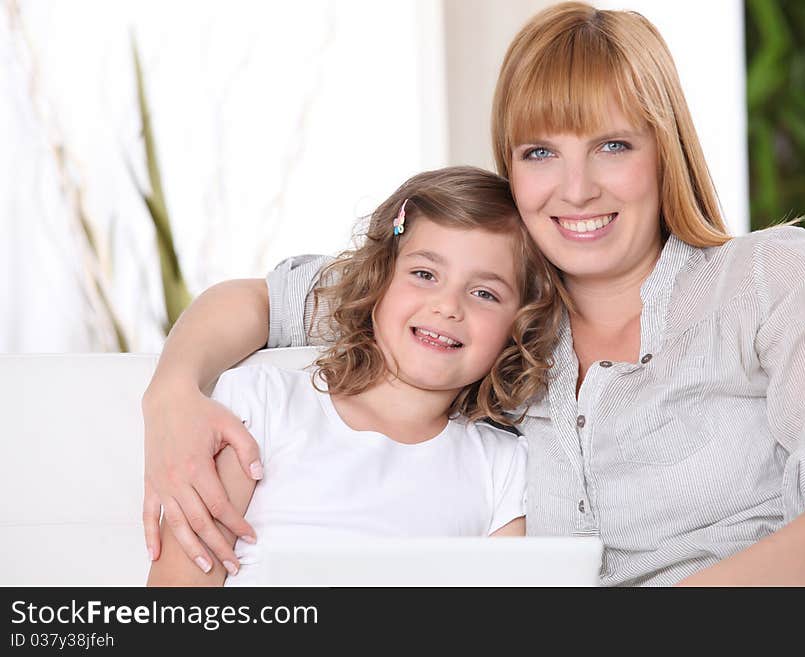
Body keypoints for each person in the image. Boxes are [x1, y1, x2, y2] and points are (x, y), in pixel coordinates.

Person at [142, 2, 805, 586]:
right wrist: (172, 391)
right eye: (540, 153)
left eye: (614, 145)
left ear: (667, 150)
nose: (577, 187)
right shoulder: (499, 311)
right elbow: (267, 300)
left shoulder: (767, 275)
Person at [146, 166, 565, 585]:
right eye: (424, 275)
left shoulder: (502, 466)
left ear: (519, 326)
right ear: (378, 279)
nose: (448, 305)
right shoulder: (263, 405)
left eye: (484, 293)